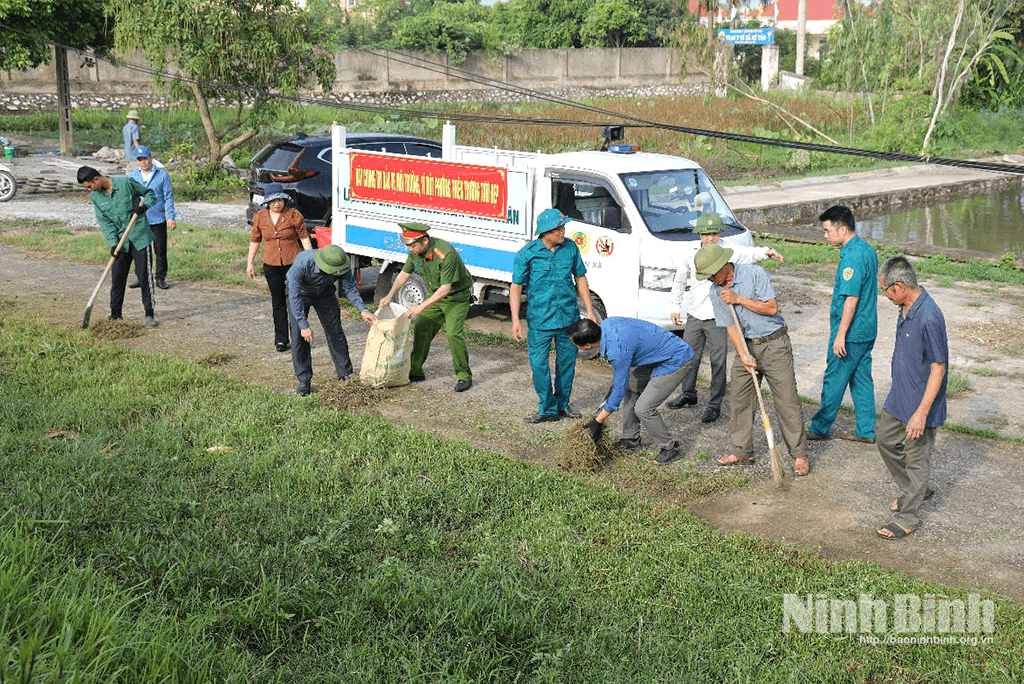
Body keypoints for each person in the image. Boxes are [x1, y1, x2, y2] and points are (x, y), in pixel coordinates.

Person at [694, 242, 809, 476]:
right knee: (740, 398)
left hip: (774, 343)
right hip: (747, 346)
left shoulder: (754, 273)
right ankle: (742, 450)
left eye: (711, 275)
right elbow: (730, 326)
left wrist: (738, 299)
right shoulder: (715, 290)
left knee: (786, 400)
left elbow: (771, 308)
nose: (709, 280)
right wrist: (743, 354)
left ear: (723, 266)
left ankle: (799, 454)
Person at [667, 212, 784, 424]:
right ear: (700, 235)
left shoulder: (727, 252)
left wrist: (767, 252)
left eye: (714, 233)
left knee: (718, 362)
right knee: (688, 357)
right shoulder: (689, 255)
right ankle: (688, 393)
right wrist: (675, 306)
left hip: (716, 317)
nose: (710, 238)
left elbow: (748, 254)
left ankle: (714, 404)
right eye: (706, 234)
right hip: (694, 314)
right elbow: (679, 280)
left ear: (719, 233)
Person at [875, 256, 948, 540]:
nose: (884, 295)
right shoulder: (905, 307)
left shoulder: (929, 317)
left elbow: (938, 367)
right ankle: (914, 489)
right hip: (899, 396)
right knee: (884, 440)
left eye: (886, 290)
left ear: (899, 286)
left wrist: (921, 413)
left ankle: (908, 517)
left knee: (917, 458)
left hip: (920, 402)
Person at [568, 317, 693, 467]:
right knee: (630, 387)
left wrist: (597, 421)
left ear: (587, 346)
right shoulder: (607, 324)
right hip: (656, 355)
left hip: (676, 359)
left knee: (644, 408)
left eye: (574, 342)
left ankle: (670, 447)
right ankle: (631, 439)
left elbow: (617, 392)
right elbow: (621, 380)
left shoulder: (617, 349)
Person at [511, 208, 595, 423]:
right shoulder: (527, 254)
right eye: (558, 228)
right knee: (539, 366)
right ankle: (547, 408)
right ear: (545, 232)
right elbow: (516, 287)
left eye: (563, 227)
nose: (562, 232)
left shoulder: (570, 248)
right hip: (540, 321)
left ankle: (562, 404)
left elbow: (581, 279)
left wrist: (590, 312)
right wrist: (515, 320)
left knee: (566, 365)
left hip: (569, 319)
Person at [806, 205, 879, 443]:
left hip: (851, 333)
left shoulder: (852, 257)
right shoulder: (867, 250)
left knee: (834, 379)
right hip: (867, 330)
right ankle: (866, 431)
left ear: (842, 228)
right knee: (861, 380)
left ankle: (819, 427)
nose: (825, 236)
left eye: (827, 231)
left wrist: (840, 335)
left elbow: (851, 298)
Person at [379, 222, 474, 393]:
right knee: (422, 327)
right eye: (407, 246)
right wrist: (389, 295)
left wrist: (420, 307)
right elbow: (404, 274)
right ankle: (415, 371)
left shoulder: (445, 254)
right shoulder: (415, 252)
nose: (410, 249)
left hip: (456, 298)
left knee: (453, 334)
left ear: (425, 240)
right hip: (436, 297)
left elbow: (445, 289)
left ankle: (463, 376)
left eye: (413, 245)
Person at [285, 245, 376, 396]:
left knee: (335, 332)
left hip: (325, 294)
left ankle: (345, 375)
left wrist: (362, 309)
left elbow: (351, 287)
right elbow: (294, 296)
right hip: (301, 294)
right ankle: (304, 381)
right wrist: (303, 324)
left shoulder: (341, 264)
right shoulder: (302, 263)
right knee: (298, 336)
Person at [77, 165, 157, 326]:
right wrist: (113, 243)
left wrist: (144, 206)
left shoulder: (126, 183)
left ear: (97, 180)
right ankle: (115, 315)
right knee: (117, 277)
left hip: (139, 236)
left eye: (89, 186)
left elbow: (150, 194)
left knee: (144, 277)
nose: (89, 190)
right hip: (121, 241)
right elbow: (105, 222)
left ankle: (149, 314)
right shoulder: (96, 197)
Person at [247, 183, 312, 352]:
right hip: (271, 264)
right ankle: (281, 340)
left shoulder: (293, 215)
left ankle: (299, 336)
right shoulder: (260, 216)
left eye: (280, 200)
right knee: (278, 302)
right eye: (273, 200)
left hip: (293, 263)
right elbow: (255, 240)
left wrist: (310, 259)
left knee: (295, 299)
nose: (277, 203)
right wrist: (250, 263)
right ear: (267, 202)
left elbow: (304, 238)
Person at [128, 145, 177, 290]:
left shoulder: (162, 175)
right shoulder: (132, 176)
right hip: (139, 219)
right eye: (140, 159)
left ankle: (160, 278)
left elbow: (168, 197)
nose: (143, 162)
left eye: (146, 159)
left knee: (160, 250)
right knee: (141, 250)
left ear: (151, 158)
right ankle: (141, 277)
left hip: (157, 218)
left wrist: (171, 217)